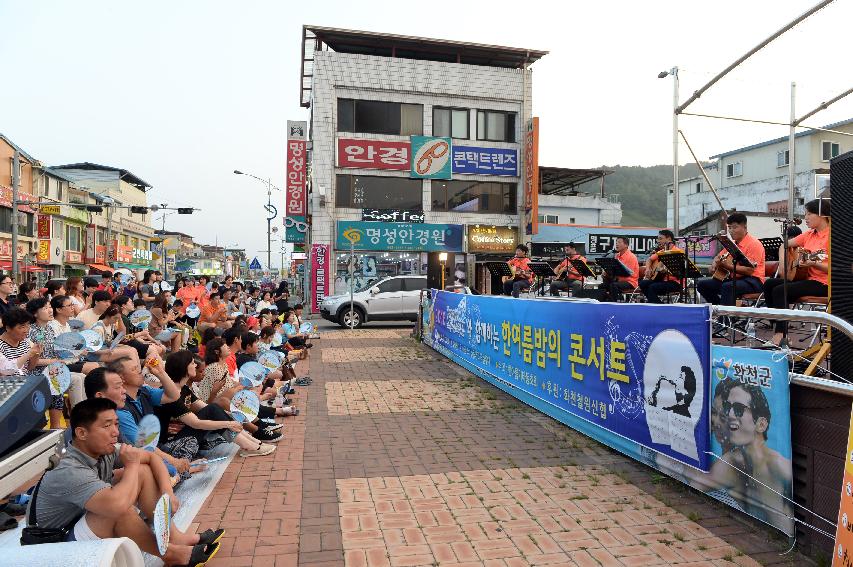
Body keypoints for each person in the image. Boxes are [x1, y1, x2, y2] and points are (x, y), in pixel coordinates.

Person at [25, 398, 221, 564]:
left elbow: (151, 458)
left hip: (76, 524)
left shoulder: (101, 449)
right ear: (82, 433)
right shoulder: (69, 469)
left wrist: (167, 493)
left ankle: (175, 537)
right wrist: (132, 466)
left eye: (116, 424)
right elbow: (117, 505)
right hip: (51, 548)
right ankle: (171, 554)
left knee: (142, 471)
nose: (115, 432)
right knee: (119, 507)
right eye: (106, 425)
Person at [156, 350, 275, 459]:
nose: (196, 366)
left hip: (184, 436)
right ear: (183, 368)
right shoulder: (169, 395)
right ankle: (248, 445)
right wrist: (229, 423)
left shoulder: (184, 389)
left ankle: (253, 442)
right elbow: (196, 423)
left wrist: (233, 417)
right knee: (214, 409)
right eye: (192, 363)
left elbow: (205, 407)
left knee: (215, 408)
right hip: (171, 445)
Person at [109, 355, 196, 479]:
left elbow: (174, 395)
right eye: (134, 369)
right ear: (122, 378)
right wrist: (174, 462)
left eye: (139, 367)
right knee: (162, 470)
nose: (140, 371)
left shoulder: (144, 391)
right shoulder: (121, 408)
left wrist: (160, 372)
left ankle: (181, 469)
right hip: (142, 452)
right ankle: (181, 471)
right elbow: (143, 445)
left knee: (190, 441)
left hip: (157, 447)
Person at [764, 199, 830, 346]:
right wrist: (784, 265)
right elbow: (784, 245)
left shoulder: (832, 236)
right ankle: (778, 326)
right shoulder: (808, 235)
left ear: (822, 215)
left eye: (809, 214)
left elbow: (836, 269)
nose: (805, 217)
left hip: (825, 283)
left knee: (780, 290)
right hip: (808, 279)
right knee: (769, 284)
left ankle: (780, 335)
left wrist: (814, 263)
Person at [26, 298, 96, 428]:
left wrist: (73, 352)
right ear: (35, 314)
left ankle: (81, 417)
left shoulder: (49, 329)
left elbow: (57, 351)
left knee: (80, 377)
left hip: (53, 368)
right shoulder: (31, 331)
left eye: (49, 307)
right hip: (38, 371)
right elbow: (31, 362)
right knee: (73, 379)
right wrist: (54, 361)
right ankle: (79, 420)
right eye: (45, 308)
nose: (50, 310)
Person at [697, 213, 766, 306]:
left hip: (753, 281)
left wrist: (727, 266)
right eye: (729, 228)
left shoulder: (754, 244)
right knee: (703, 285)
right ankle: (719, 309)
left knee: (728, 286)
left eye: (734, 227)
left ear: (744, 227)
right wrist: (714, 264)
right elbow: (719, 256)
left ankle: (726, 318)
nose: (731, 231)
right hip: (734, 280)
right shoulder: (732, 244)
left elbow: (749, 270)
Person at [639, 230, 684, 303]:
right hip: (662, 280)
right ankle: (657, 303)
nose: (658, 241)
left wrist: (667, 271)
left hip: (675, 282)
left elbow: (679, 272)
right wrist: (648, 269)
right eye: (658, 239)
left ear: (669, 239)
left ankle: (656, 305)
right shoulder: (662, 251)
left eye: (660, 238)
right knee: (643, 283)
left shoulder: (677, 252)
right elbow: (649, 259)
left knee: (652, 287)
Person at [0, 308, 41, 375]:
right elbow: (5, 371)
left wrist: (36, 354)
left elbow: (30, 367)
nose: (26, 330)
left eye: (28, 325)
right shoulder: (1, 346)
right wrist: (28, 354)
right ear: (8, 328)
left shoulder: (26, 342)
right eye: (22, 327)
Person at [600, 237, 639, 302]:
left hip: (630, 282)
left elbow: (627, 274)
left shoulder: (631, 257)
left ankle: (612, 305)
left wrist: (612, 273)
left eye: (619, 242)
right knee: (602, 286)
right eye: (616, 242)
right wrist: (607, 272)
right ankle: (603, 303)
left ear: (626, 245)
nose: (617, 244)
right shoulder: (617, 256)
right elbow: (615, 270)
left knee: (613, 285)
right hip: (618, 280)